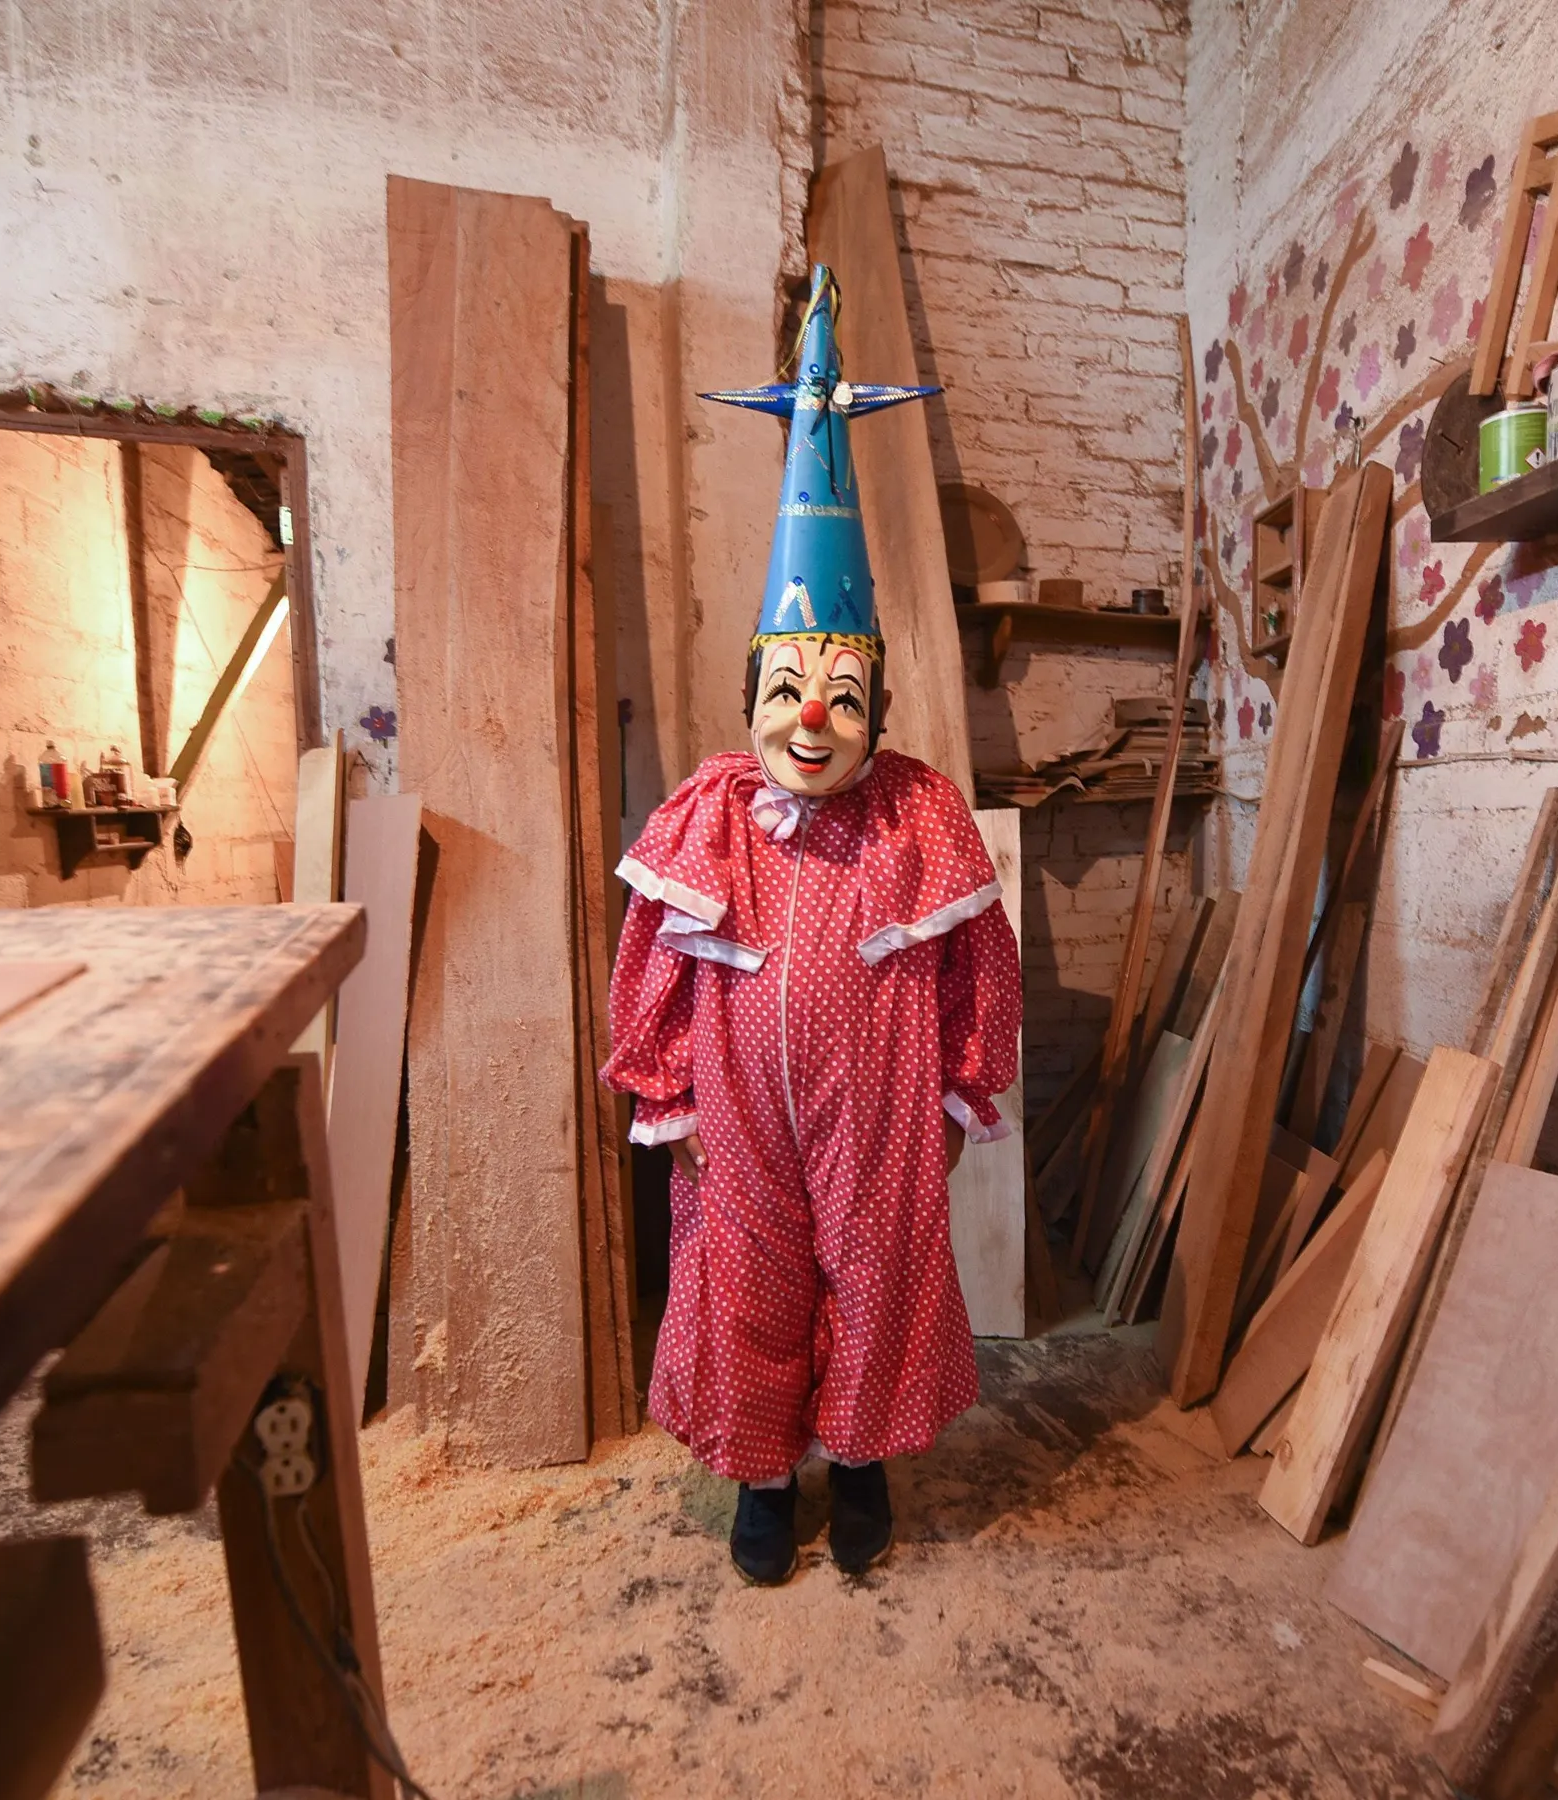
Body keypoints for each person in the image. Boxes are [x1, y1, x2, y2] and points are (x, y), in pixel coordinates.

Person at [602, 268, 1021, 1585]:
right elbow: (655, 970)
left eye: (842, 695)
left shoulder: (919, 817)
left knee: (877, 1276)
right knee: (749, 1287)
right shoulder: (708, 816)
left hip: (881, 1112)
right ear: (752, 700)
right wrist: (668, 1100)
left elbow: (976, 967)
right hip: (737, 1119)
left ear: (878, 710)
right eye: (787, 690)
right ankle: (765, 1479)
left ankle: (862, 1461)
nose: (812, 721)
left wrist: (959, 1093)